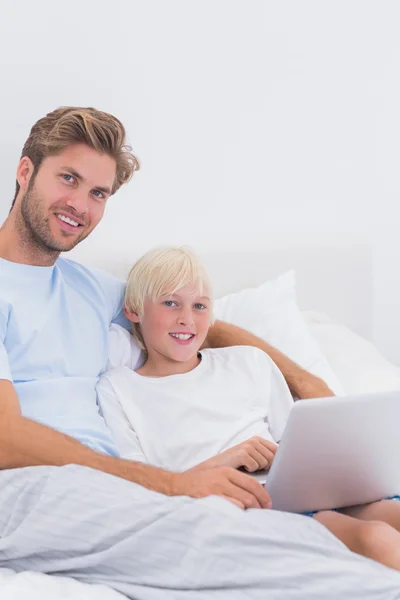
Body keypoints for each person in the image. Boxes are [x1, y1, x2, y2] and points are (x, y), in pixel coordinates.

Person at [0, 107, 399, 598]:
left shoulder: (88, 289)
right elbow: (6, 439)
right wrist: (165, 484)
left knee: (252, 524)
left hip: (109, 489)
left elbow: (188, 323)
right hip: (26, 486)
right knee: (220, 537)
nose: (79, 204)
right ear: (25, 172)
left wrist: (307, 384)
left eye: (98, 193)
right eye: (68, 178)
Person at [97, 245, 400, 572]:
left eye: (199, 305)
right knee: (375, 538)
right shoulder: (118, 389)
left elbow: (297, 442)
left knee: (388, 517)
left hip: (295, 492)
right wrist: (224, 462)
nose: (187, 319)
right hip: (236, 511)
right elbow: (138, 491)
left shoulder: (248, 360)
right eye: (170, 303)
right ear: (133, 310)